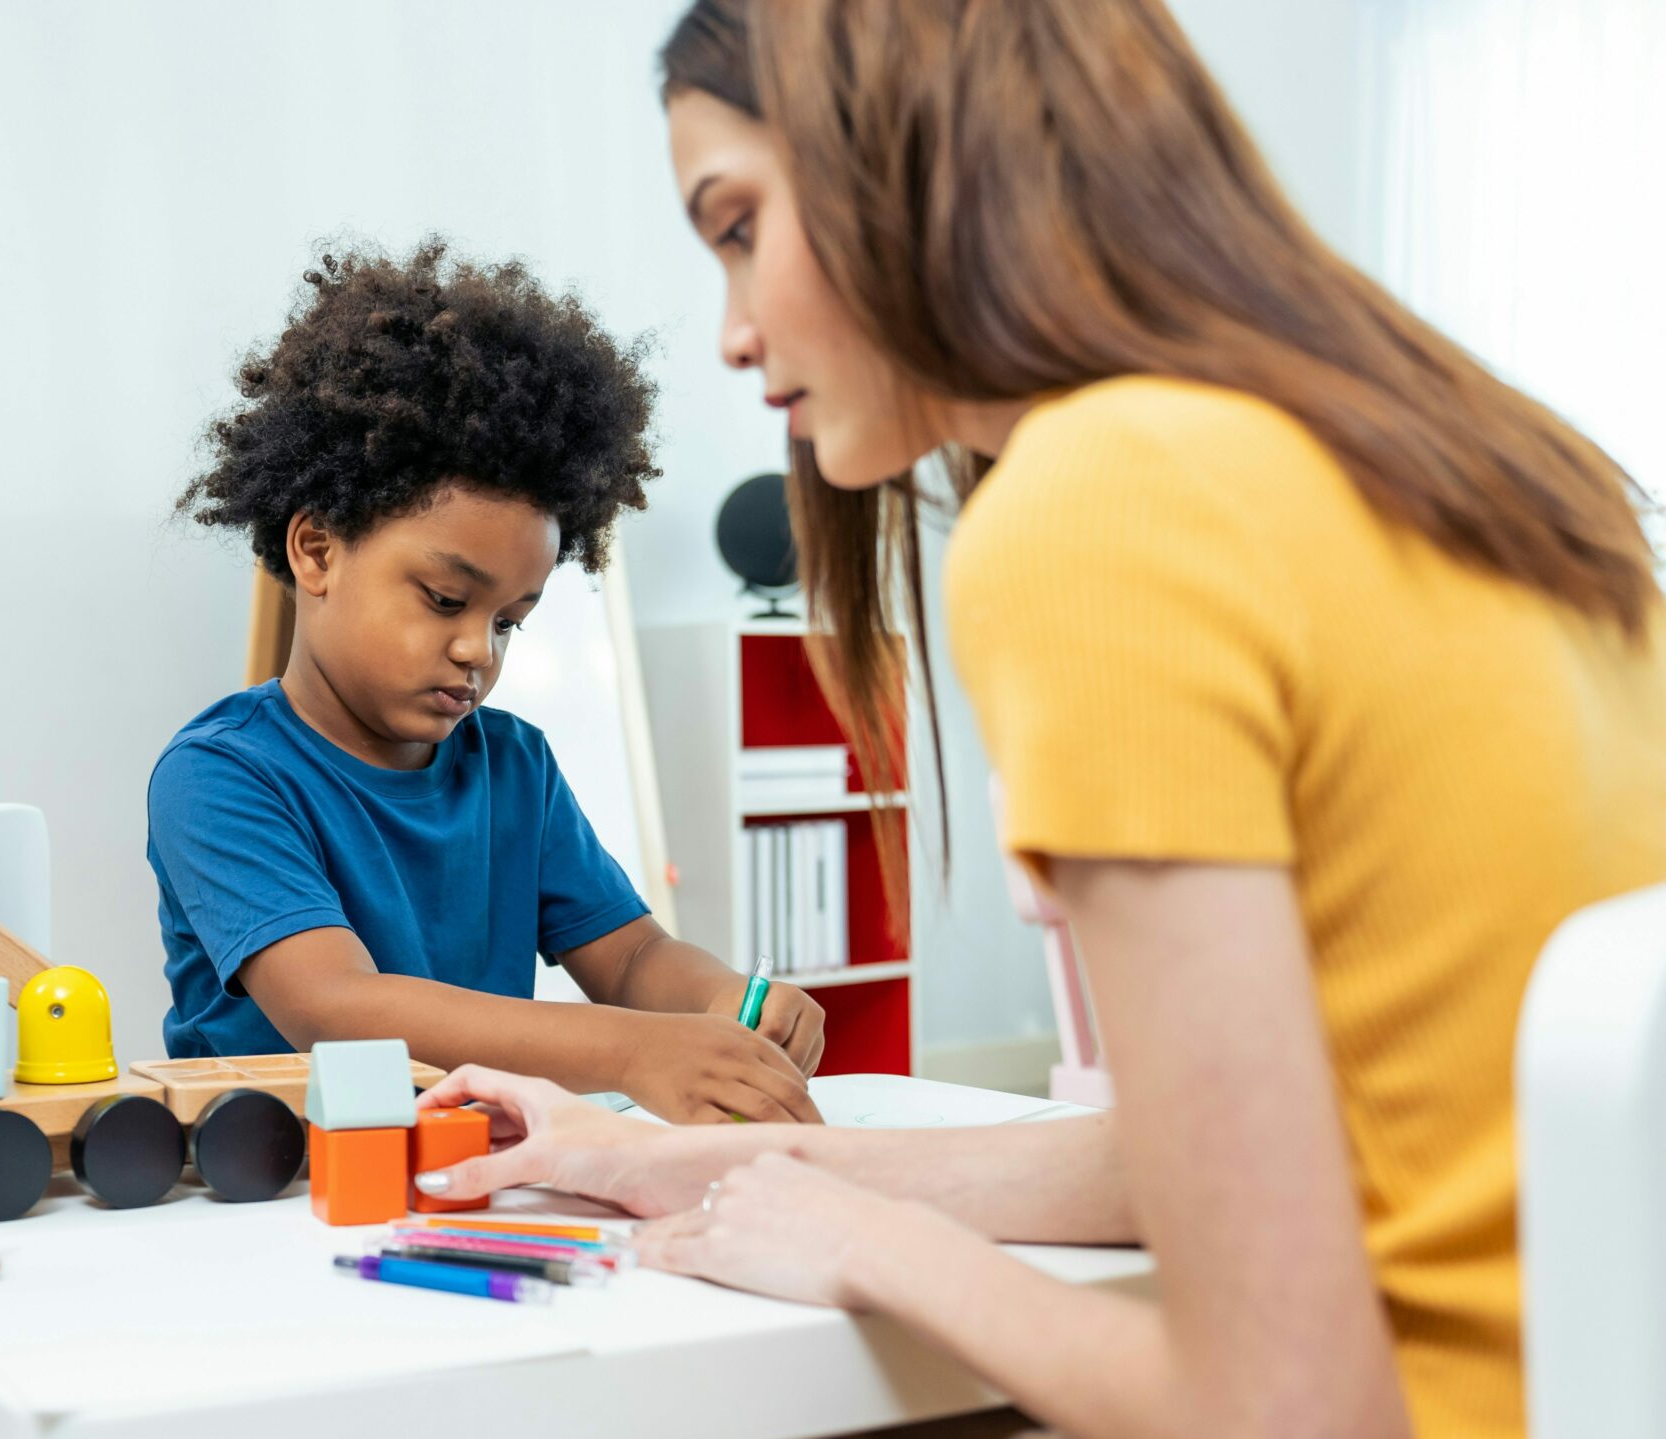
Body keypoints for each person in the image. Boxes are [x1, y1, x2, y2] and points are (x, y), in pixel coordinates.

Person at [414, 3, 1666, 1434]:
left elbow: (1291, 1405)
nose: (734, 332)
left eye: (743, 226)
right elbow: (1247, 1153)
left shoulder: (1103, 501)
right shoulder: (1479, 467)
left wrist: (878, 1247)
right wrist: (694, 1171)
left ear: (906, 155)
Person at [153, 240, 825, 1124]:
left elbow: (629, 959)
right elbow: (335, 1006)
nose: (478, 649)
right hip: (278, 1192)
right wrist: (633, 1049)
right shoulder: (222, 774)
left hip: (473, 1172)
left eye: (509, 620)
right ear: (316, 550)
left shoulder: (513, 767)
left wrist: (726, 1001)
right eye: (444, 599)